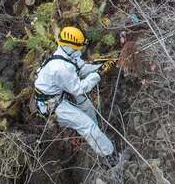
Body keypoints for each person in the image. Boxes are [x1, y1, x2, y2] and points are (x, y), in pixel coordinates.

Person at [34, 27, 115, 158]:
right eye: (78, 47)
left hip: (59, 94)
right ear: (71, 46)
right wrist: (98, 74)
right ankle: (110, 156)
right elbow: (79, 89)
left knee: (87, 106)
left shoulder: (66, 54)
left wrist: (101, 64)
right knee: (87, 126)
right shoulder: (60, 68)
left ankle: (99, 135)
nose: (80, 50)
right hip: (51, 105)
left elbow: (81, 68)